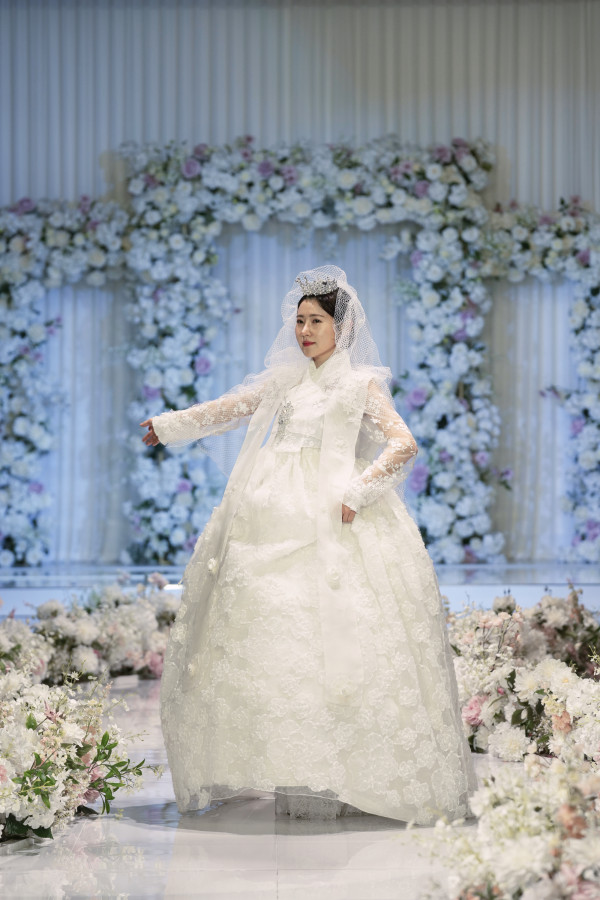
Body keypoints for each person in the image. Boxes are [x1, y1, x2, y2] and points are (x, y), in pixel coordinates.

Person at [140, 264, 477, 822]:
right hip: (272, 510)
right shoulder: (287, 381)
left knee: (335, 631)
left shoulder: (359, 383)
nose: (304, 331)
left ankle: (342, 773)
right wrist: (170, 425)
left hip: (333, 516)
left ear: (341, 326)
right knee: (275, 633)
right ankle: (292, 767)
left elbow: (403, 443)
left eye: (316, 321)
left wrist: (358, 492)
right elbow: (229, 409)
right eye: (299, 321)